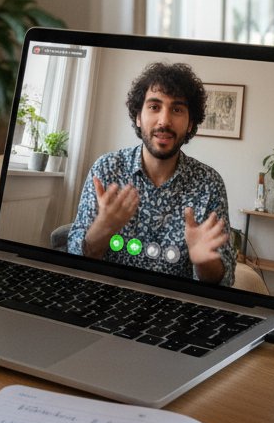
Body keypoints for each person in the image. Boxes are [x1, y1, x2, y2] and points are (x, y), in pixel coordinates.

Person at [58, 62, 235, 286]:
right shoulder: (107, 169)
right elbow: (74, 261)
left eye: (177, 109)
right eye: (154, 107)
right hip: (104, 299)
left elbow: (224, 281)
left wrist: (203, 261)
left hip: (175, 308)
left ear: (190, 124)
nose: (164, 121)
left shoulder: (209, 184)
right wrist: (100, 231)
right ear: (138, 117)